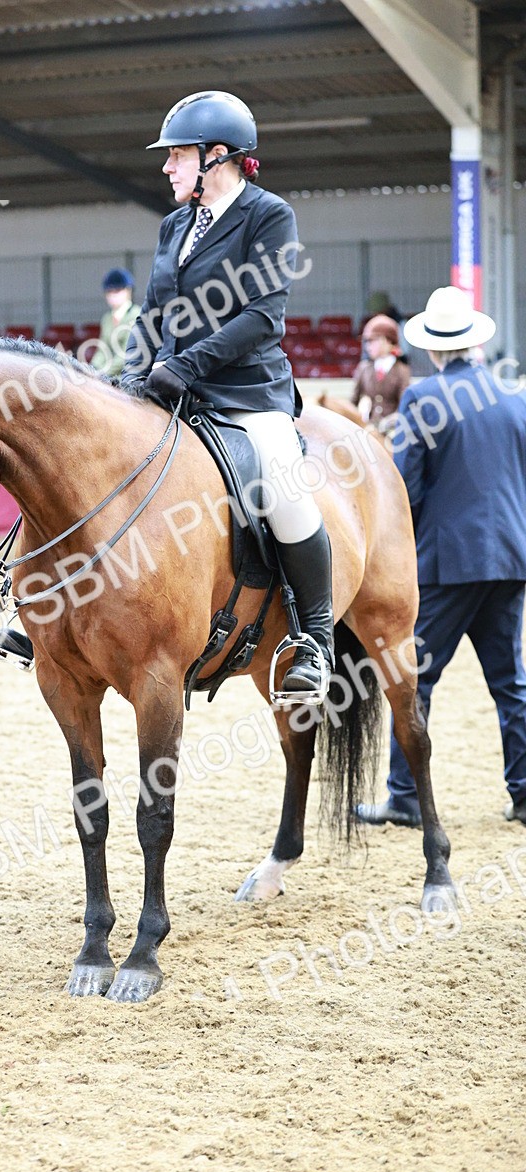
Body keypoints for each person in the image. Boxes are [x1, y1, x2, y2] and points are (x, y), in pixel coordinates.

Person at [120, 90, 333, 698]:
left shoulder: (269, 215)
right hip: (171, 387)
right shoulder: (174, 224)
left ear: (218, 157)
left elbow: (264, 317)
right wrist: (137, 371)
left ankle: (313, 640)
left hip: (246, 393)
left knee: (282, 488)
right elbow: (153, 310)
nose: (167, 167)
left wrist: (186, 366)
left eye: (177, 156)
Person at [356, 286, 526, 828]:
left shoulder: (423, 400)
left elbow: (403, 488)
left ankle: (404, 796)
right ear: (473, 344)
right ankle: (523, 794)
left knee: (413, 680)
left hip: (447, 565)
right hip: (509, 559)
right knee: (511, 684)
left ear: (433, 350)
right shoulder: (513, 397)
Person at [351, 313, 410, 425]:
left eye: (373, 341)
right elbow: (353, 401)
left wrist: (391, 421)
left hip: (392, 430)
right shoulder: (364, 368)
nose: (368, 346)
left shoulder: (402, 371)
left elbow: (404, 406)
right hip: (368, 429)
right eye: (367, 342)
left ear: (388, 341)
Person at [90, 268, 141, 380]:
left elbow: (126, 353)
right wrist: (92, 368)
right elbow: (103, 348)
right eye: (109, 292)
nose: (113, 295)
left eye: (117, 291)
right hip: (110, 375)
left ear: (128, 291)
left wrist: (102, 374)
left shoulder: (136, 315)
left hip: (132, 374)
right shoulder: (107, 318)